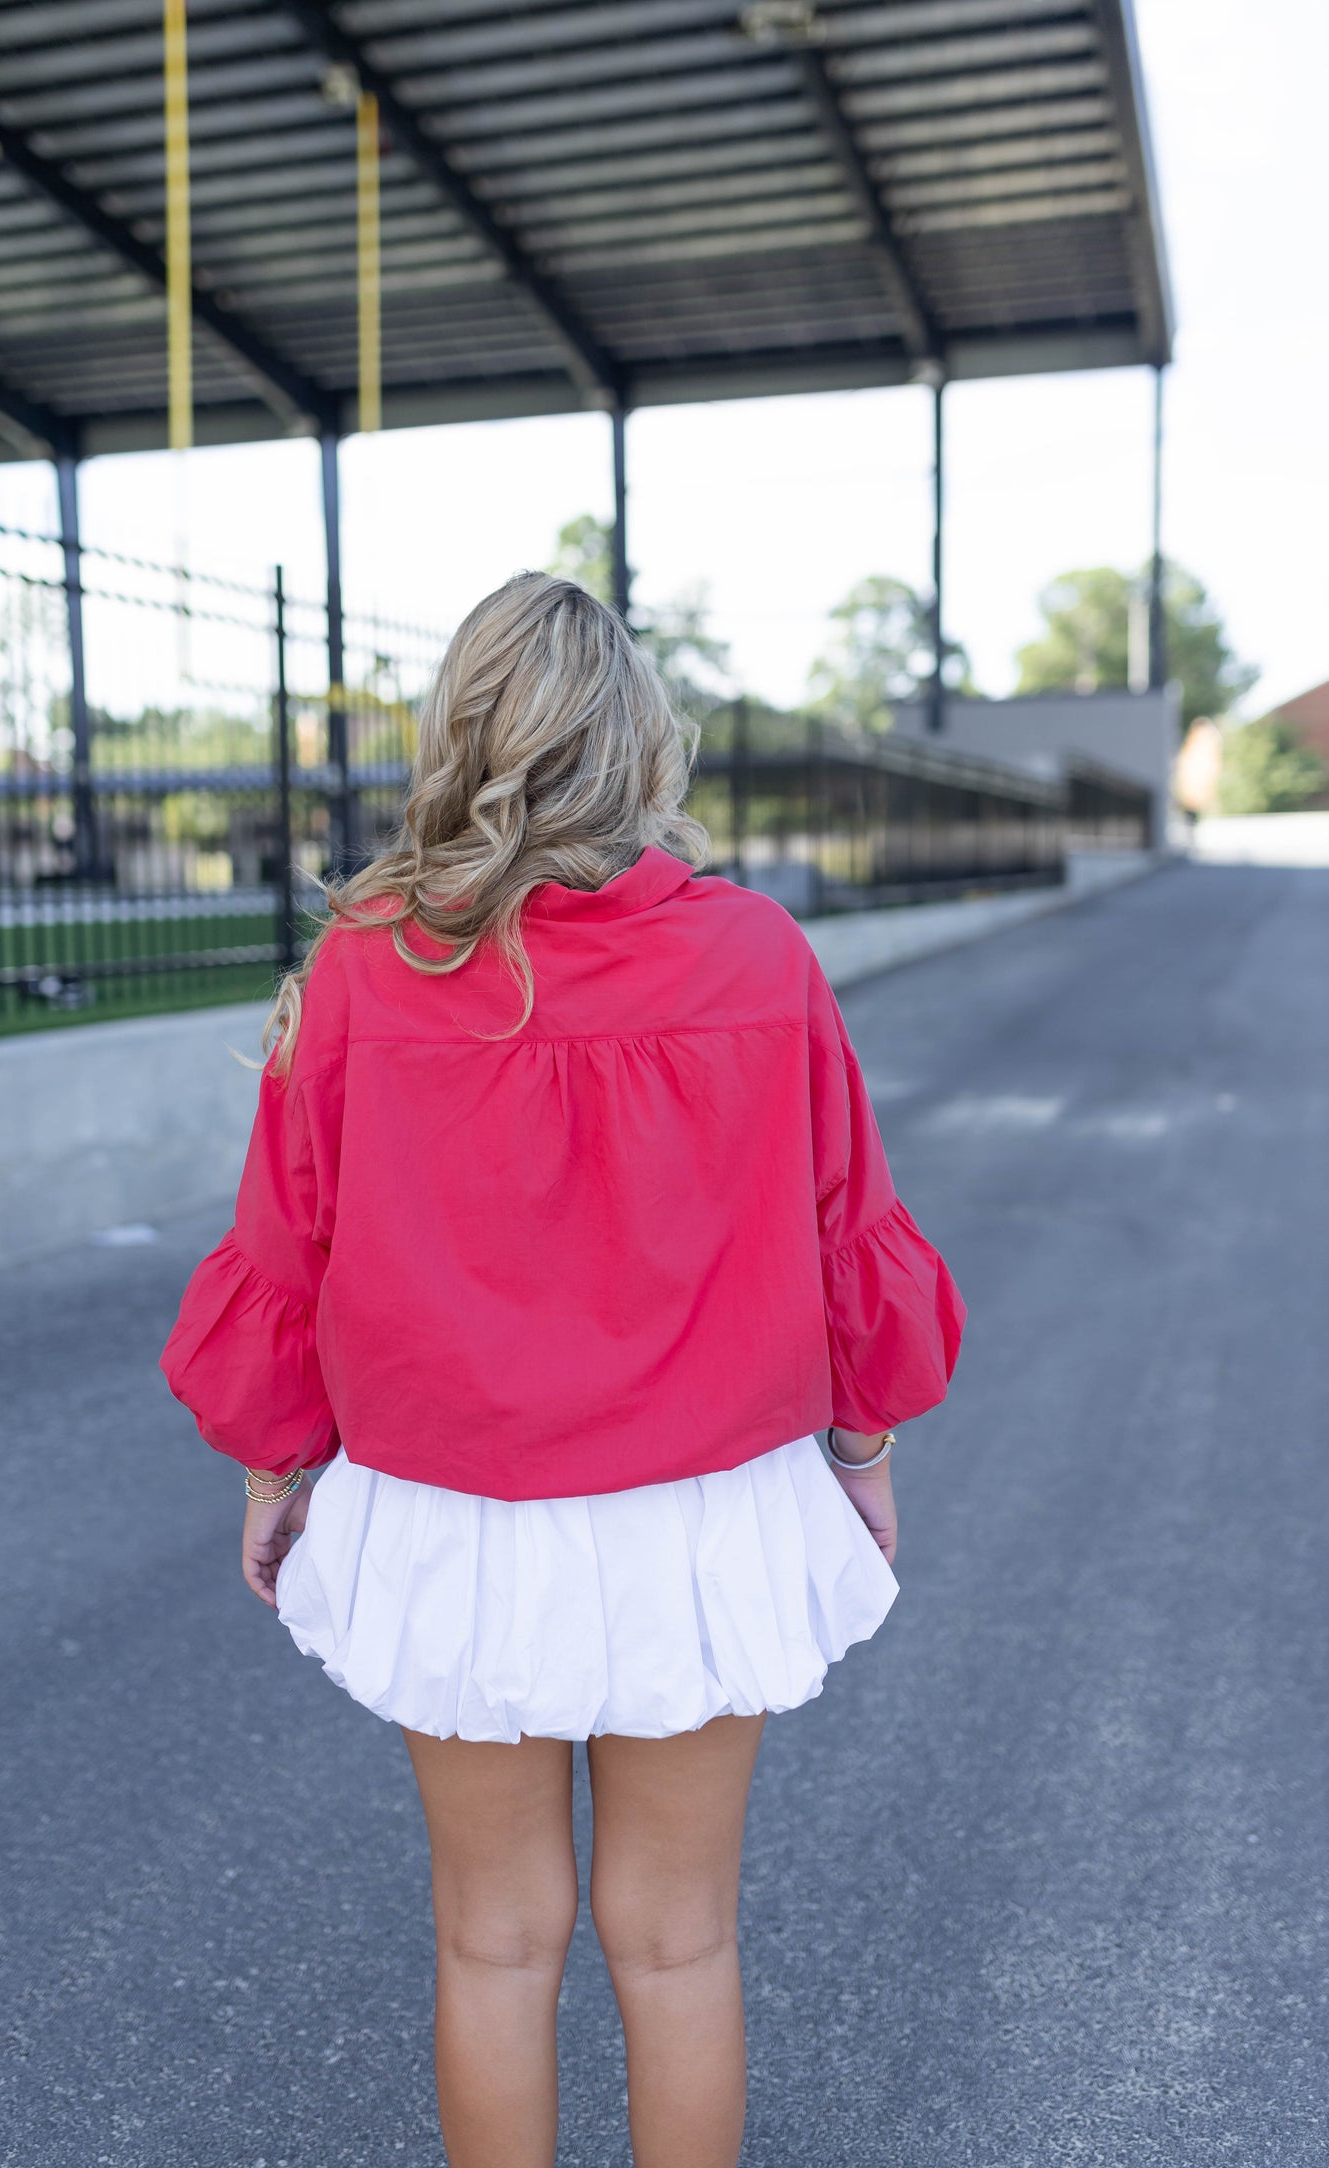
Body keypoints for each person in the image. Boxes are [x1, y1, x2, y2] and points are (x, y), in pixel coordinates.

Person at [161, 572, 964, 2168]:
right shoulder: (753, 959)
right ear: (639, 749)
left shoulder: (367, 967)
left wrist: (274, 1471)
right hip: (700, 1506)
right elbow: (843, 1229)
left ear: (463, 738)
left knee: (493, 1941)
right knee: (675, 1942)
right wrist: (862, 1453)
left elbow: (286, 1256)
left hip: (454, 1510)